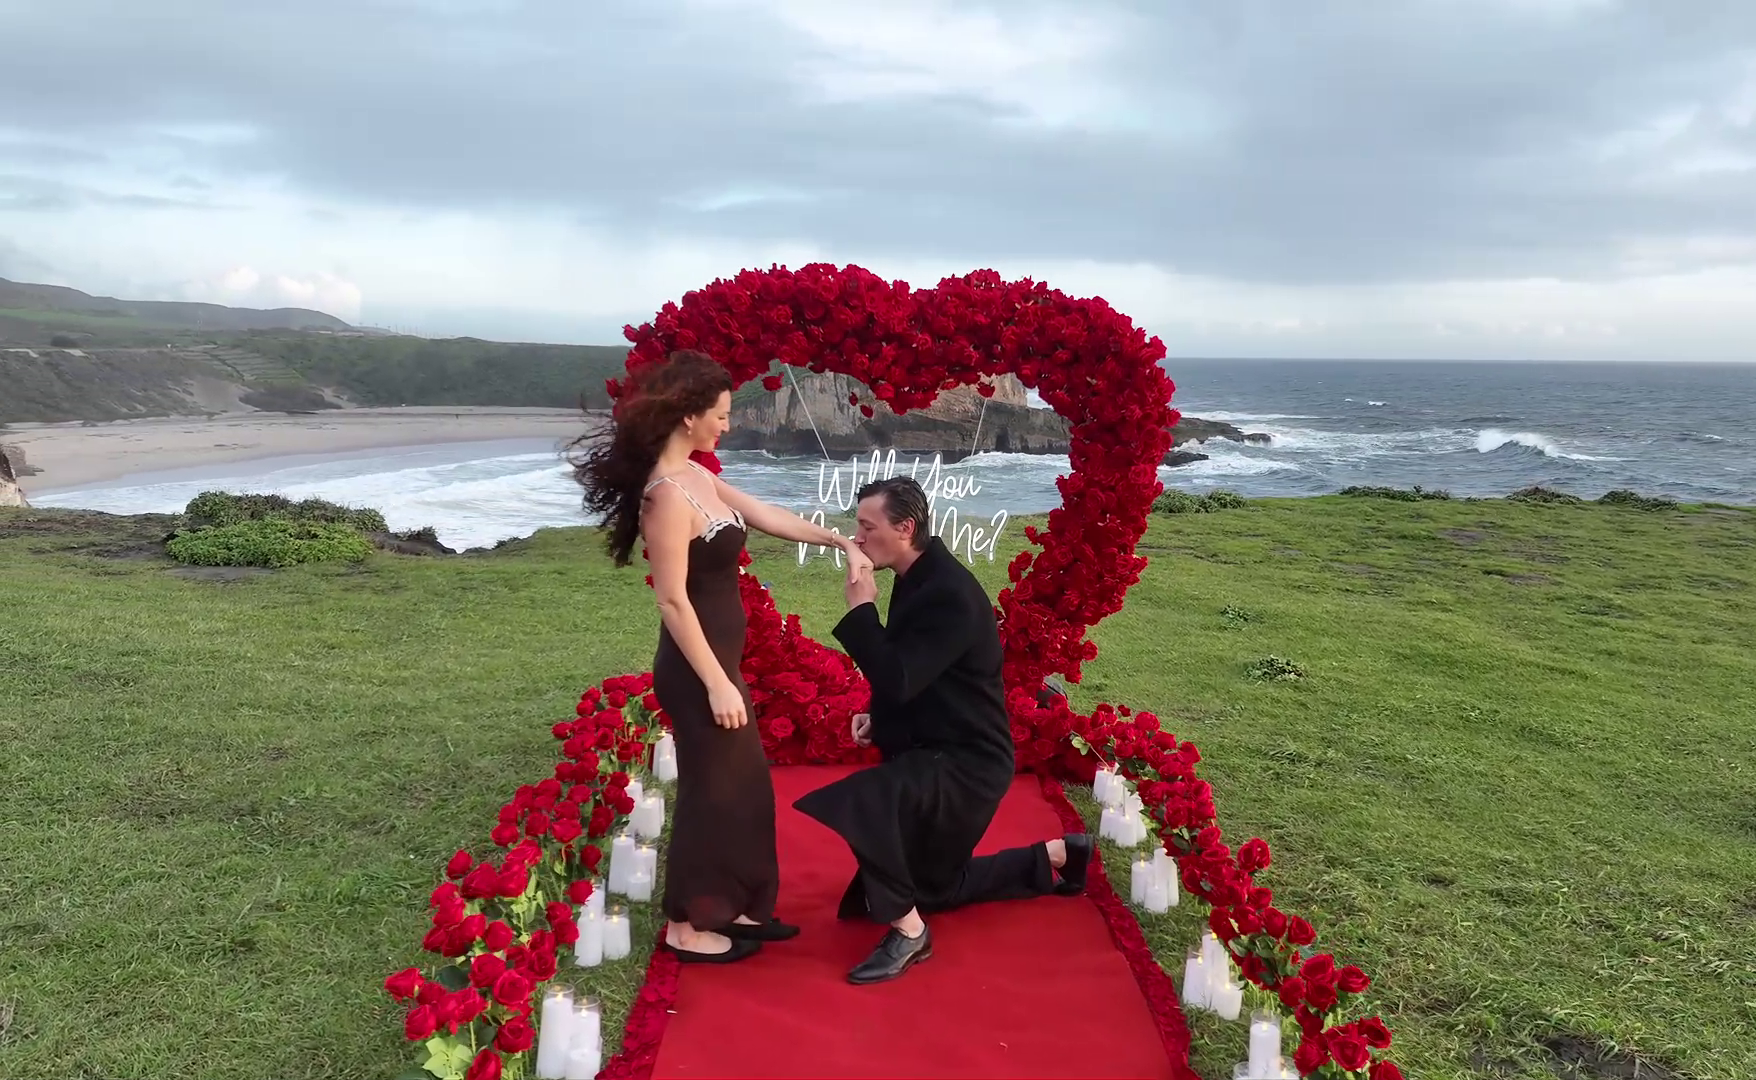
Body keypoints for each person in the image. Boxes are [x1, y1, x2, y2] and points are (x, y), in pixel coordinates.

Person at [572, 349, 873, 964]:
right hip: (696, 671)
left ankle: (733, 906)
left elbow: (764, 516)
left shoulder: (697, 476)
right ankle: (687, 925)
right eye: (722, 415)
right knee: (712, 793)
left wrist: (838, 539)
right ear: (689, 415)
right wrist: (716, 683)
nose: (727, 425)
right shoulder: (664, 496)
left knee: (744, 789)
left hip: (720, 667)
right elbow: (672, 601)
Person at [793, 476, 1093, 985]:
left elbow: (899, 675)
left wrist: (860, 609)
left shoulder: (948, 593)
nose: (857, 538)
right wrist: (878, 716)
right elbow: (915, 670)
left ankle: (910, 933)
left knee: (864, 802)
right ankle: (1061, 854)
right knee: (934, 890)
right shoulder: (917, 575)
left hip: (968, 762)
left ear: (905, 528)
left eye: (867, 526)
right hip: (936, 748)